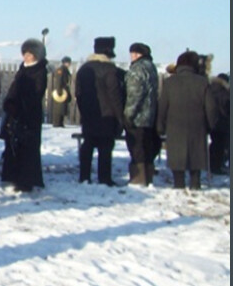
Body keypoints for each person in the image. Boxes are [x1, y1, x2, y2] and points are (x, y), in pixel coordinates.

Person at [156, 50, 218, 189]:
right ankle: (195, 184)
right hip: (198, 126)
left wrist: (160, 126)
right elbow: (211, 108)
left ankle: (179, 185)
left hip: (174, 126)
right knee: (196, 157)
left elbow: (162, 106)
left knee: (177, 157)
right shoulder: (202, 83)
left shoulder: (169, 82)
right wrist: (210, 125)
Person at [75, 36, 124, 186]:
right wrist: (120, 117)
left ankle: (84, 176)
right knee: (105, 147)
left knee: (88, 145)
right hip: (107, 115)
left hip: (89, 114)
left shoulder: (84, 69)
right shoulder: (110, 69)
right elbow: (114, 94)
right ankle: (104, 178)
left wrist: (84, 111)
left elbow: (78, 93)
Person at [0, 38, 47, 192]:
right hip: (16, 113)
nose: (26, 57)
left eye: (30, 54)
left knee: (28, 148)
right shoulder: (22, 69)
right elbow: (14, 88)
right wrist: (9, 102)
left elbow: (36, 93)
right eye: (25, 53)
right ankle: (13, 176)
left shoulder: (40, 71)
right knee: (14, 146)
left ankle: (26, 180)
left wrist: (21, 105)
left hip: (29, 114)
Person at [123, 42, 160, 187]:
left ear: (137, 54)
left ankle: (138, 178)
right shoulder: (151, 68)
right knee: (146, 146)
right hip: (149, 115)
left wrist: (128, 115)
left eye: (132, 53)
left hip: (137, 117)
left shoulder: (137, 69)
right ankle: (148, 176)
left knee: (136, 148)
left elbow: (134, 94)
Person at [208, 73, 231, 175]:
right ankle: (217, 167)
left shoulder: (210, 90)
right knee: (221, 147)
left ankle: (211, 164)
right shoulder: (225, 93)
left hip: (212, 123)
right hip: (223, 124)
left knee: (214, 145)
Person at [51, 56, 73, 128]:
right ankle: (57, 122)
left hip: (64, 90)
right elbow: (59, 81)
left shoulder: (65, 70)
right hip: (60, 91)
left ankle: (60, 122)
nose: (69, 64)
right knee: (59, 108)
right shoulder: (61, 70)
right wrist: (59, 91)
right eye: (68, 63)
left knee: (63, 107)